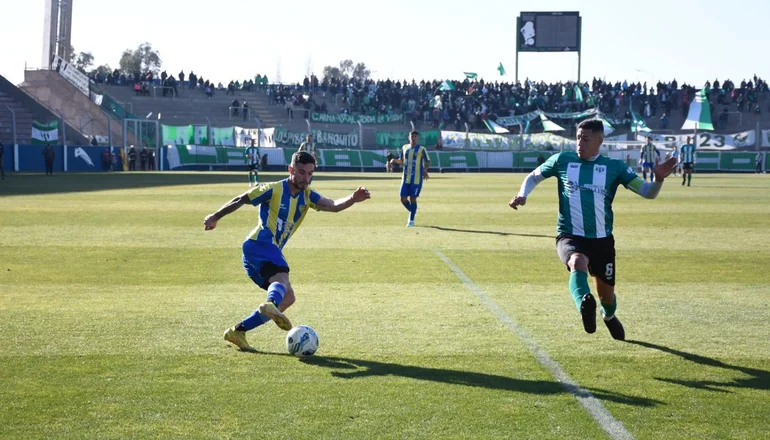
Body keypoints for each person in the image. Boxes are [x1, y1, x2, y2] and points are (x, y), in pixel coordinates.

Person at [508, 119, 676, 340]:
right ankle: (585, 306)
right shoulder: (562, 160)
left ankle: (608, 315)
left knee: (607, 297)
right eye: (578, 138)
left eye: (585, 139)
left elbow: (647, 192)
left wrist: (658, 179)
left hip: (602, 241)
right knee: (577, 262)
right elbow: (534, 176)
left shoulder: (614, 168)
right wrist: (523, 194)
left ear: (599, 141)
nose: (580, 143)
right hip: (570, 235)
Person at [203, 151, 371, 351]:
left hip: (261, 254)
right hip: (259, 244)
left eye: (310, 174)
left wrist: (353, 198)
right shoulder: (274, 189)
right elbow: (242, 198)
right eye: (301, 172)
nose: (305, 178)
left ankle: (238, 330)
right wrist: (215, 216)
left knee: (289, 297)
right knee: (282, 278)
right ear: (291, 170)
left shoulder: (308, 195)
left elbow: (333, 206)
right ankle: (271, 303)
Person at [388, 131, 430, 227]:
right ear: (409, 138)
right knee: (402, 198)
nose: (413, 138)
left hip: (416, 179)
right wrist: (394, 160)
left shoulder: (421, 149)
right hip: (405, 177)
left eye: (415, 136)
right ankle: (413, 211)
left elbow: (428, 161)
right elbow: (402, 161)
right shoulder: (405, 147)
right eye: (412, 136)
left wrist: (425, 170)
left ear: (418, 138)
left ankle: (411, 220)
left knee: (413, 198)